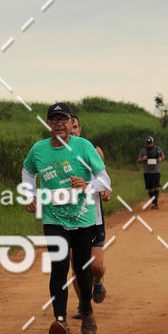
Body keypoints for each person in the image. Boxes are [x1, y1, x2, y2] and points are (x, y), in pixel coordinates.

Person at [22, 103, 111, 334]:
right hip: (54, 218)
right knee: (59, 266)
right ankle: (60, 319)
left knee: (83, 268)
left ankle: (87, 309)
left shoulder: (83, 146)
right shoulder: (39, 150)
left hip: (83, 217)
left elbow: (104, 179)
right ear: (48, 123)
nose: (59, 124)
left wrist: (87, 185)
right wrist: (29, 194)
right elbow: (28, 171)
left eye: (63, 119)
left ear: (71, 122)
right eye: (54, 120)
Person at [70, 115, 110, 315]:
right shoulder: (56, 155)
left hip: (93, 217)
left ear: (80, 128)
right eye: (70, 127)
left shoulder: (93, 152)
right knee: (77, 268)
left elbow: (103, 179)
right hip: (68, 219)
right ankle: (83, 306)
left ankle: (98, 281)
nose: (72, 130)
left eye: (75, 126)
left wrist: (105, 191)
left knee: (96, 266)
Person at [137, 136, 165, 209]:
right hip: (147, 172)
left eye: (150, 143)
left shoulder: (157, 149)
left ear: (153, 143)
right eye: (148, 143)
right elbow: (138, 160)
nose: (149, 145)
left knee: (155, 187)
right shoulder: (143, 150)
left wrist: (160, 159)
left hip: (156, 171)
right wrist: (143, 159)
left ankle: (155, 203)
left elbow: (163, 156)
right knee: (149, 188)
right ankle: (153, 202)